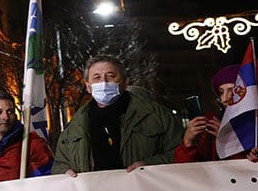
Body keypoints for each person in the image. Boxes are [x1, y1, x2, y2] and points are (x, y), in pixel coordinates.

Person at [54, 54, 183, 176]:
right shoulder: (75, 126)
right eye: (96, 77)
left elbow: (182, 152)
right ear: (88, 86)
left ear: (125, 82)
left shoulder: (154, 115)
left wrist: (150, 165)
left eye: (110, 76)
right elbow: (59, 164)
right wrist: (65, 173)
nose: (103, 82)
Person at [176, 64, 258, 163]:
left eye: (233, 90)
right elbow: (187, 174)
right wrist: (188, 143)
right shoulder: (213, 127)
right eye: (221, 92)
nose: (224, 98)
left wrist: (231, 142)